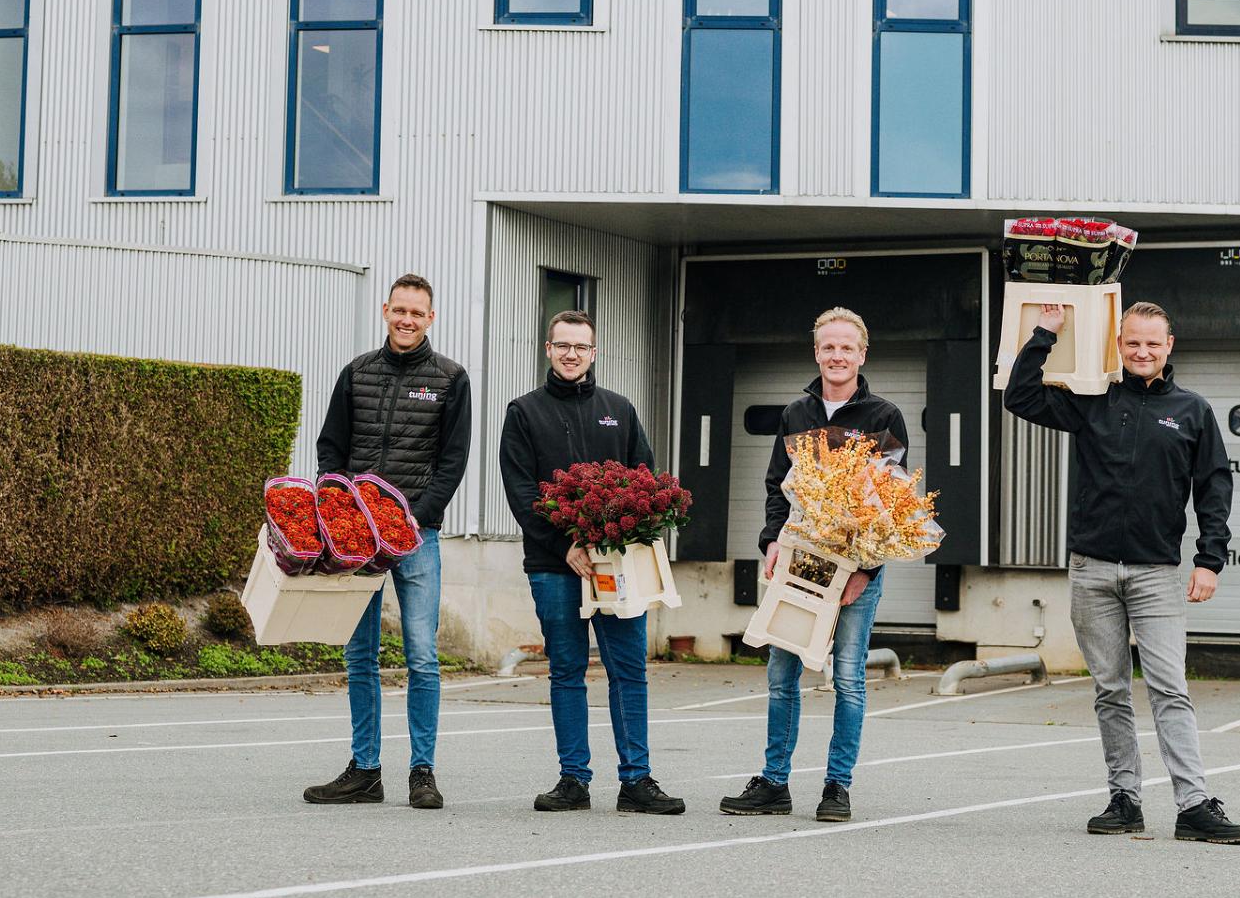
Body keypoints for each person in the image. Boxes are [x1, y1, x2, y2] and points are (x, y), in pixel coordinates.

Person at [1003, 300, 1240, 844]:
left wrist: (1210, 559)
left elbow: (1215, 489)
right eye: (1133, 342)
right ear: (1119, 346)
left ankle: (1193, 805)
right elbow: (1019, 397)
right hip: (1091, 569)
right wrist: (1045, 332)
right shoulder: (1093, 401)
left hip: (1157, 574)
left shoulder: (1192, 411)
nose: (1143, 352)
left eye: (1153, 343)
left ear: (1169, 347)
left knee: (1170, 688)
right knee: (1110, 690)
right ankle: (1125, 800)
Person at [720, 306, 904, 824]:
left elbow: (891, 502)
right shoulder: (796, 413)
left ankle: (836, 787)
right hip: (801, 562)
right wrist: (771, 544)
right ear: (816, 352)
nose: (837, 355)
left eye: (847, 347)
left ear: (861, 354)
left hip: (855, 570)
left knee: (848, 678)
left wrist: (865, 569)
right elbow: (777, 485)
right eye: (828, 346)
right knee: (783, 674)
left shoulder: (883, 416)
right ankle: (774, 783)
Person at [499, 310, 685, 815]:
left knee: (629, 671)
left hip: (616, 566)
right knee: (567, 670)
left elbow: (646, 478)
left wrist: (625, 541)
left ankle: (637, 780)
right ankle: (573, 779)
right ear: (547, 349)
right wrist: (564, 546)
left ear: (594, 352)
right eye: (563, 345)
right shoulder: (523, 412)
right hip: (553, 564)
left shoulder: (618, 410)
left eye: (581, 346)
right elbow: (520, 492)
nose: (572, 354)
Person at [304, 273, 471, 810]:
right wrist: (341, 512)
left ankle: (422, 772)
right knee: (360, 656)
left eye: (417, 313)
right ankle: (365, 769)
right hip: (356, 540)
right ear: (385, 310)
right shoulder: (357, 372)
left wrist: (411, 520)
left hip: (415, 536)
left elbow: (452, 461)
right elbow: (331, 449)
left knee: (422, 656)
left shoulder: (449, 379)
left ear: (431, 318)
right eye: (399, 310)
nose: (407, 320)